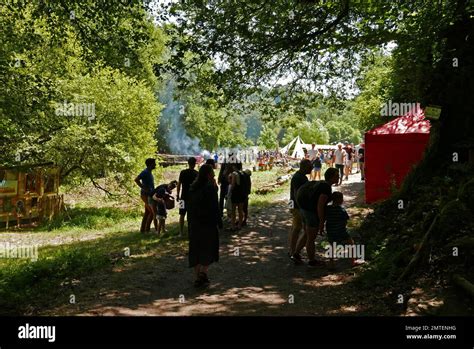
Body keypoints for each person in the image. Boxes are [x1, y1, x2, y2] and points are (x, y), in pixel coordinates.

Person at [294, 168, 340, 267]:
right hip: (309, 211)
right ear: (331, 177)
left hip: (303, 208)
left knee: (307, 234)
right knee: (311, 237)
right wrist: (321, 222)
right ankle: (312, 261)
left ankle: (296, 254)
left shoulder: (322, 184)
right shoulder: (326, 188)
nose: (338, 177)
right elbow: (320, 206)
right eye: (336, 175)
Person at [187, 164, 222, 287]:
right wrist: (219, 222)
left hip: (195, 223)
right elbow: (214, 207)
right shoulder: (210, 188)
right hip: (208, 223)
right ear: (208, 174)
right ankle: (203, 273)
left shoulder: (192, 188)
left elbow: (189, 207)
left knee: (196, 249)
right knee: (209, 248)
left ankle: (198, 277)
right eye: (212, 172)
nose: (214, 174)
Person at [325, 192, 362, 268]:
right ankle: (353, 261)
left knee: (332, 246)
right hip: (341, 231)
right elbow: (346, 219)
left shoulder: (328, 209)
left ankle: (331, 264)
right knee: (351, 243)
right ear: (339, 200)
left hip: (331, 231)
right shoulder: (341, 210)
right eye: (342, 198)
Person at [288, 159, 312, 264]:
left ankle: (292, 250)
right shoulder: (298, 178)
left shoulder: (302, 177)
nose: (311, 168)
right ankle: (293, 251)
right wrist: (302, 207)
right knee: (297, 228)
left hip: (294, 204)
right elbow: (297, 193)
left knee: (295, 227)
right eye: (309, 166)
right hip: (296, 206)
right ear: (303, 167)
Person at [177, 157, 198, 238]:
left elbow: (179, 184)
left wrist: (178, 195)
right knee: (191, 215)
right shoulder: (196, 173)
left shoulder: (183, 172)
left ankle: (181, 232)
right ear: (195, 164)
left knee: (181, 214)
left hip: (183, 197)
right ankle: (191, 232)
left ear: (188, 163)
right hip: (192, 198)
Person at [134, 158, 157, 233]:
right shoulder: (145, 172)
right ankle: (147, 230)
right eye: (154, 163)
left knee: (147, 212)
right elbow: (136, 179)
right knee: (151, 212)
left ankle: (142, 230)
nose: (155, 164)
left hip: (148, 194)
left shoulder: (149, 172)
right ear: (150, 164)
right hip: (145, 195)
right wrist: (143, 187)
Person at [228, 163, 245, 230]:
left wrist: (229, 193)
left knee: (233, 210)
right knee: (240, 210)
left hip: (235, 193)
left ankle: (233, 226)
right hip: (242, 193)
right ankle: (239, 225)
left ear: (234, 166)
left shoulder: (234, 174)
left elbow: (233, 185)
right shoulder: (243, 173)